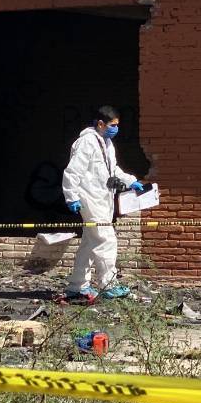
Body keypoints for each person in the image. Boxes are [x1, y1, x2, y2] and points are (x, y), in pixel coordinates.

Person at [62, 105, 144, 300]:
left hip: (103, 198)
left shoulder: (106, 144)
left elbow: (112, 170)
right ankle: (108, 284)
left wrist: (130, 180)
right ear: (100, 124)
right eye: (113, 125)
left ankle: (77, 287)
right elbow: (73, 171)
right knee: (106, 239)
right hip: (90, 198)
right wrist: (71, 196)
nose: (116, 129)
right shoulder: (86, 143)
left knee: (90, 242)